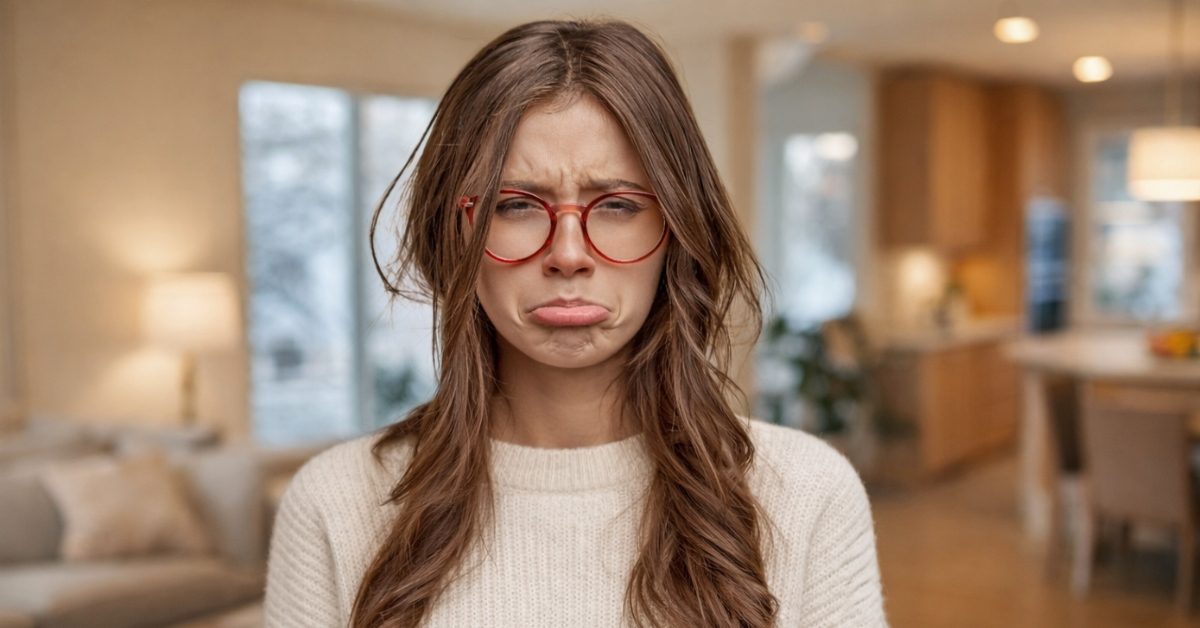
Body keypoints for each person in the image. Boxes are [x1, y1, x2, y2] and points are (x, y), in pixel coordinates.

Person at [264, 19, 886, 628]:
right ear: (455, 234)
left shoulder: (807, 495)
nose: (568, 253)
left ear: (677, 230)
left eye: (616, 204)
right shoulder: (333, 503)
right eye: (514, 205)